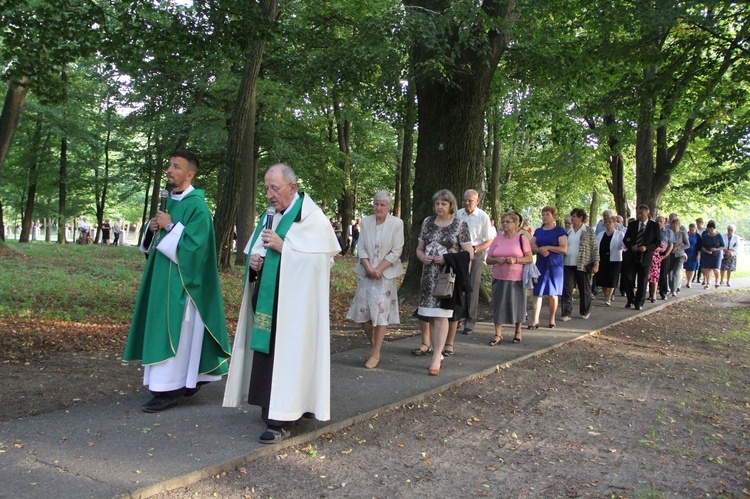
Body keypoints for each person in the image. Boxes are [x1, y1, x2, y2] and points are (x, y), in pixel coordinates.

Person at [223, 163, 340, 443]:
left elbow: (321, 262)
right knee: (268, 354)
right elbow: (258, 249)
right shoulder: (270, 216)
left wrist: (284, 248)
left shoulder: (312, 218)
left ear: (292, 188)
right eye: (266, 188)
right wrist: (254, 262)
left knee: (290, 355)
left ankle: (283, 417)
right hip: (269, 299)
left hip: (297, 308)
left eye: (274, 188)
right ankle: (269, 407)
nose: (269, 194)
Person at [124, 150, 231, 413]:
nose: (170, 170)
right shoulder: (169, 201)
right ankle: (180, 383)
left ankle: (168, 389)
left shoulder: (198, 206)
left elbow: (198, 248)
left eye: (176, 167)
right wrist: (152, 232)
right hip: (161, 280)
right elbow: (154, 246)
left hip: (183, 286)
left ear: (190, 174)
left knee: (176, 333)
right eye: (169, 165)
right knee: (161, 329)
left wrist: (172, 227)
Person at [416, 189, 473, 376]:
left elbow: (468, 254)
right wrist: (422, 257)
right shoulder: (427, 222)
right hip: (428, 276)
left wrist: (447, 259)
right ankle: (436, 351)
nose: (440, 207)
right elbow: (419, 248)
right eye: (437, 203)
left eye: (444, 204)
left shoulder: (459, 225)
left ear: (451, 205)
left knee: (442, 316)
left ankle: (436, 355)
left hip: (447, 277)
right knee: (432, 316)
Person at [346, 191, 405, 369]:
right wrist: (369, 268)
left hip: (385, 275)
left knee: (381, 314)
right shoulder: (367, 221)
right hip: (367, 273)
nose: (379, 208)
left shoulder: (397, 223)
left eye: (383, 205)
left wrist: (378, 269)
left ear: (389, 207)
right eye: (376, 204)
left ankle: (376, 352)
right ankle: (373, 345)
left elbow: (397, 250)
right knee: (363, 314)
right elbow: (361, 246)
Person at [487, 212, 533, 344]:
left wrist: (516, 259)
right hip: (499, 276)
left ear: (516, 224)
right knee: (499, 304)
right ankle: (498, 334)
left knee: (517, 304)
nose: (505, 224)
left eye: (508, 222)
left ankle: (518, 332)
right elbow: (488, 258)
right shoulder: (497, 239)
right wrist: (497, 259)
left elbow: (529, 258)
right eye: (503, 222)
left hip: (516, 277)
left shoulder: (521, 238)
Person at [455, 189, 495, 336]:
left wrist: (476, 249)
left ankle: (471, 320)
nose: (467, 203)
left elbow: (489, 239)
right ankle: (458, 316)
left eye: (470, 201)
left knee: (472, 286)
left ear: (477, 201)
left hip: (476, 254)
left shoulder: (483, 217)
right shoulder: (458, 214)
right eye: (465, 200)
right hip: (459, 254)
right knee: (458, 285)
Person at [528, 206, 567, 329]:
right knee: (537, 292)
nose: (544, 217)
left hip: (555, 266)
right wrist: (539, 249)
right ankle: (535, 320)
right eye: (543, 214)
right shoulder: (539, 231)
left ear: (554, 216)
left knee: (552, 293)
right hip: (541, 264)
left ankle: (552, 319)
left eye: (547, 215)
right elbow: (531, 245)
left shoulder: (560, 231)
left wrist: (548, 247)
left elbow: (563, 248)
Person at [561, 209, 599, 321]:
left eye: (574, 216)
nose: (572, 218)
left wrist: (596, 263)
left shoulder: (588, 231)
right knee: (567, 288)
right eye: (571, 216)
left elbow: (594, 248)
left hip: (583, 264)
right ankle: (566, 313)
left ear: (581, 218)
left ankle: (585, 311)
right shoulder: (568, 231)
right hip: (568, 264)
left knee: (584, 289)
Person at [622, 205, 661, 310]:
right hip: (632, 256)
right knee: (629, 278)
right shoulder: (633, 225)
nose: (639, 216)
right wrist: (631, 246)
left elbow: (657, 242)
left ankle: (639, 302)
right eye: (638, 213)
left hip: (645, 256)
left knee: (642, 281)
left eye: (641, 214)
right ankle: (630, 299)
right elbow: (626, 239)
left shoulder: (654, 226)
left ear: (647, 214)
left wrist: (646, 247)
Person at [595, 216, 625, 306]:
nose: (608, 224)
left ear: (614, 224)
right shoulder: (600, 234)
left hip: (614, 260)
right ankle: (607, 295)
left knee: (612, 279)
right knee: (602, 279)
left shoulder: (619, 234)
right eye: (606, 222)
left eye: (610, 222)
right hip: (602, 259)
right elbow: (596, 246)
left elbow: (622, 245)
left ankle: (608, 299)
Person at [668, 218, 689, 296]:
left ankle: (674, 290)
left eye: (676, 224)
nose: (675, 226)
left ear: (679, 225)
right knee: (669, 272)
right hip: (670, 254)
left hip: (679, 255)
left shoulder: (682, 233)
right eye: (673, 224)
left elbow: (687, 244)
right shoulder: (670, 233)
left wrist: (679, 248)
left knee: (676, 272)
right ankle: (671, 288)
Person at [700, 220, 724, 289]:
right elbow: (702, 246)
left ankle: (717, 281)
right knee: (707, 269)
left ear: (714, 229)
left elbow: (722, 246)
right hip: (707, 254)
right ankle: (708, 282)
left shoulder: (719, 236)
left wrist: (716, 249)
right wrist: (707, 251)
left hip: (716, 254)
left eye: (712, 229)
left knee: (716, 269)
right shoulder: (705, 236)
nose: (710, 230)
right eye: (709, 229)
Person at [656, 216, 675, 300]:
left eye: (660, 221)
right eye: (657, 221)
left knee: (663, 274)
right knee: (653, 274)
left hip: (664, 254)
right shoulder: (652, 231)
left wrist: (665, 255)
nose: (659, 223)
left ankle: (663, 292)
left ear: (664, 223)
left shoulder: (668, 232)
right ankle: (652, 293)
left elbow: (671, 245)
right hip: (653, 253)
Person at [683, 223, 701, 288]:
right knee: (687, 268)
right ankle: (688, 279)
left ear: (695, 229)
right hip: (687, 252)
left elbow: (699, 246)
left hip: (694, 253)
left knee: (692, 268)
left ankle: (689, 281)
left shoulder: (698, 236)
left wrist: (699, 254)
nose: (691, 231)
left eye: (692, 230)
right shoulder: (686, 234)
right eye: (690, 230)